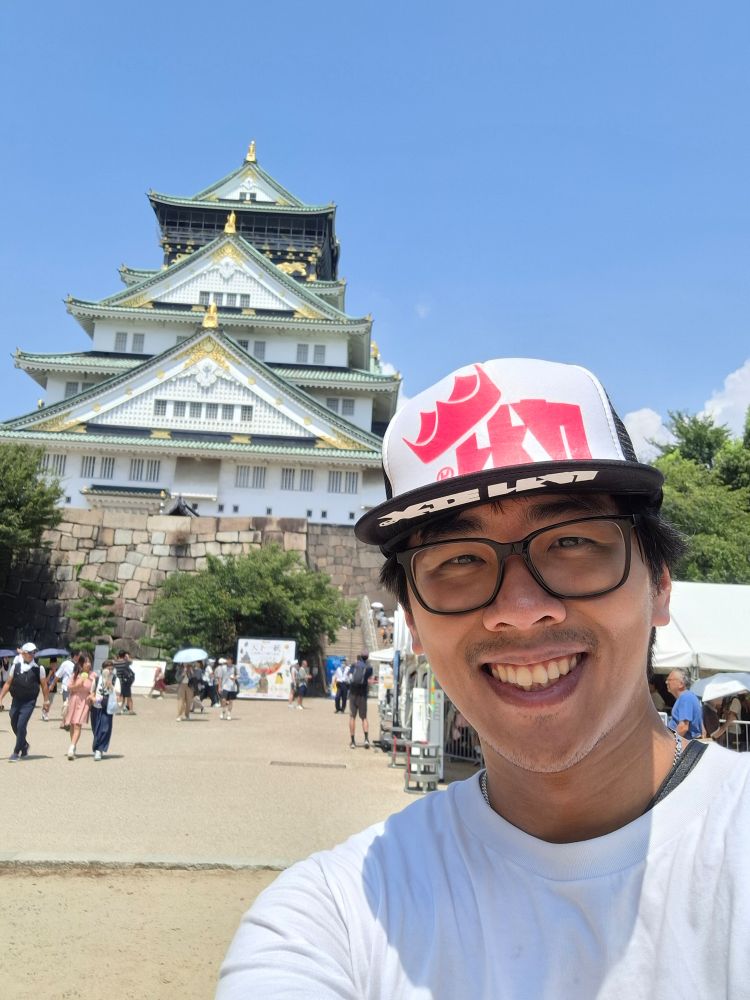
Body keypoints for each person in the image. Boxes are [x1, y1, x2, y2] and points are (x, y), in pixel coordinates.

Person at [218, 356, 750, 998]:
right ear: (412, 620)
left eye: (572, 541)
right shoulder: (339, 916)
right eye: (459, 559)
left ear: (659, 585)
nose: (521, 610)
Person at [0, 642, 51, 761]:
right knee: (14, 722)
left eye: (34, 652)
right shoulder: (15, 667)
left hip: (29, 701)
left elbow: (44, 686)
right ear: (23, 654)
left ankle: (16, 751)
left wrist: (46, 701)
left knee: (21, 724)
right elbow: (8, 683)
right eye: (29, 652)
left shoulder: (39, 669)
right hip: (16, 700)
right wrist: (1, 697)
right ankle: (24, 745)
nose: (32, 654)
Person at [64, 652, 96, 760]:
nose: (88, 664)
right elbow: (69, 687)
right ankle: (73, 744)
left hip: (84, 702)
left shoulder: (93, 675)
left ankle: (71, 747)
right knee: (73, 724)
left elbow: (95, 689)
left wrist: (92, 695)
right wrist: (78, 684)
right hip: (74, 700)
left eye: (89, 662)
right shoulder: (76, 674)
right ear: (81, 663)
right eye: (86, 662)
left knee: (78, 724)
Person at [665, 668, 704, 740]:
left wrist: (669, 742)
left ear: (681, 684)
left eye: (669, 680)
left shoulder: (685, 698)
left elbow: (683, 727)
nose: (666, 682)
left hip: (684, 743)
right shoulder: (687, 697)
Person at [90, 659, 116, 760]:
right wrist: (93, 698)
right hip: (96, 706)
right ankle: (97, 746)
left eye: (111, 669)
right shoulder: (97, 679)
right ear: (103, 669)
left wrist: (110, 686)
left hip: (107, 706)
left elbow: (118, 692)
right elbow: (92, 691)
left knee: (105, 728)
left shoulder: (114, 679)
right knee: (96, 728)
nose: (110, 671)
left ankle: (99, 749)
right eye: (108, 669)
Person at [348, 651, 372, 749]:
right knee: (364, 718)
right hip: (363, 694)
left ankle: (353, 741)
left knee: (352, 717)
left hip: (353, 693)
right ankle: (366, 739)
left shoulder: (354, 665)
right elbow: (368, 678)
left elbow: (349, 677)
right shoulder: (369, 668)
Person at [47, 653, 75, 728]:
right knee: (66, 704)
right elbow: (58, 675)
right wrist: (52, 685)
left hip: (76, 688)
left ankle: (65, 721)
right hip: (67, 687)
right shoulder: (66, 664)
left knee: (72, 705)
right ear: (75, 656)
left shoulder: (80, 665)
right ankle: (65, 722)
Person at [114, 650, 136, 714]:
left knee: (120, 696)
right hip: (125, 681)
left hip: (118, 681)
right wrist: (127, 657)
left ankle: (119, 710)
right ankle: (131, 710)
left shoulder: (115, 663)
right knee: (128, 696)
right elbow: (131, 661)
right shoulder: (126, 662)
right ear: (124, 656)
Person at [217, 656, 239, 721]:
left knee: (231, 701)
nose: (228, 661)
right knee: (223, 700)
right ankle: (223, 710)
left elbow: (238, 675)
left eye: (229, 659)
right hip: (224, 686)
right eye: (227, 659)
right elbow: (220, 678)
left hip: (232, 687)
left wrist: (235, 677)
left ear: (232, 660)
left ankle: (229, 714)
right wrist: (219, 687)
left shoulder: (234, 667)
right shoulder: (223, 668)